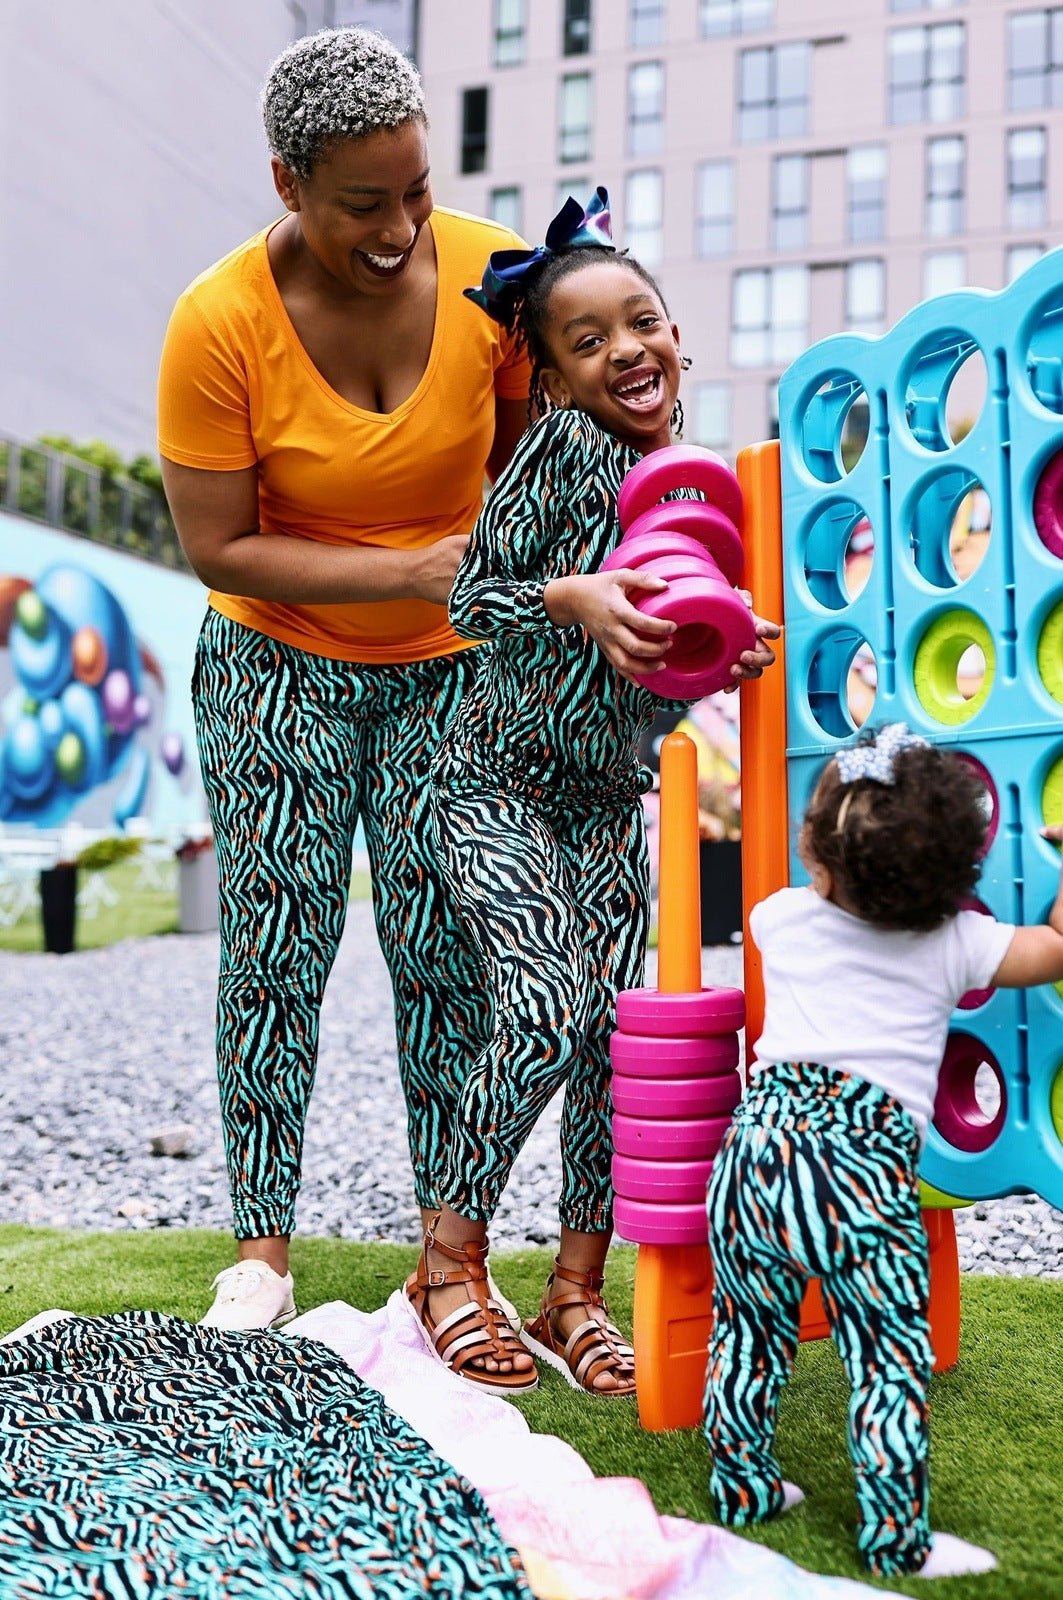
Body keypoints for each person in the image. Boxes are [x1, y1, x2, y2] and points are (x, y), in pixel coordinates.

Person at [157, 27, 533, 1329]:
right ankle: (258, 1256)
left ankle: (449, 1262)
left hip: (449, 677)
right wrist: (409, 571)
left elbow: (547, 469)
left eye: (416, 191)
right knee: (273, 943)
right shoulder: (218, 323)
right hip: (275, 664)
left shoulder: (500, 281)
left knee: (441, 953)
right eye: (362, 203)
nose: (399, 228)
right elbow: (214, 545)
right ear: (288, 184)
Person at [400, 190, 780, 1396]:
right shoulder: (563, 453)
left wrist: (724, 653)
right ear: (555, 380)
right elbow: (471, 604)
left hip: (608, 805)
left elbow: (664, 678)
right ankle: (448, 1266)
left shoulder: (694, 482)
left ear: (681, 340)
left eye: (644, 322)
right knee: (547, 1007)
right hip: (490, 783)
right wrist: (568, 594)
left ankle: (575, 1292)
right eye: (588, 339)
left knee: (623, 1043)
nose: (627, 348)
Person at [703, 722, 1063, 1578]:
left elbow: (821, 886)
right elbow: (1052, 950)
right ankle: (895, 1540)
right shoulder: (955, 944)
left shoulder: (777, 918)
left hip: (754, 1153)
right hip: (859, 1177)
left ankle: (741, 1486)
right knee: (887, 1361)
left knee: (747, 1337)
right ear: (952, 877)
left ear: (815, 856)